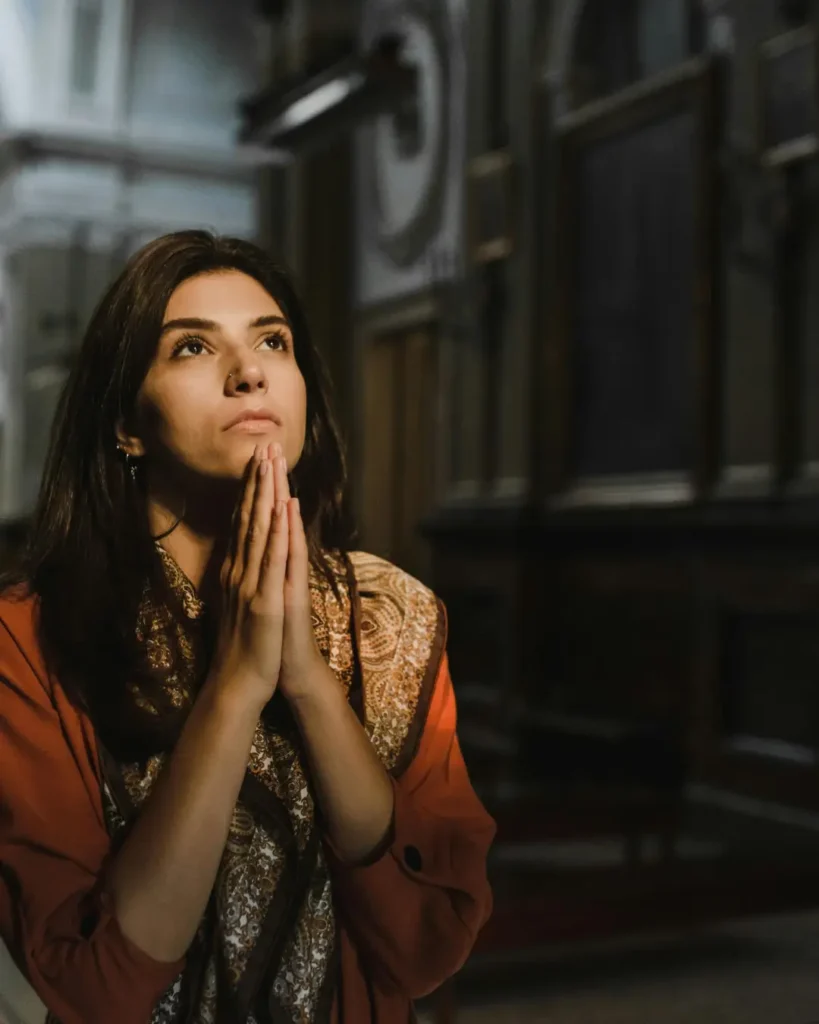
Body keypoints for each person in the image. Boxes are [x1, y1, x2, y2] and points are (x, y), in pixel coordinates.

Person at [0, 231, 495, 1024]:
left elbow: (425, 949)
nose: (250, 371)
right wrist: (234, 687)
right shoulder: (30, 636)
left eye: (273, 340)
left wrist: (306, 681)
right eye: (192, 347)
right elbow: (96, 983)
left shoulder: (397, 616)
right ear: (126, 423)